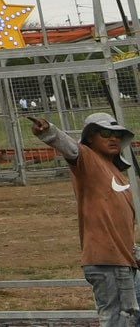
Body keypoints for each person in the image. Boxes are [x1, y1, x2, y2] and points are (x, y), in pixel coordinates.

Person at [32, 110, 138, 324]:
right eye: (105, 134)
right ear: (90, 137)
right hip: (108, 263)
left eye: (116, 135)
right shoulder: (88, 160)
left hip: (125, 260)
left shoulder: (113, 171)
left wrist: (134, 251)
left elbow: (119, 222)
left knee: (131, 317)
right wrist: (49, 132)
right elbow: (71, 149)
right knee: (118, 319)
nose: (113, 138)